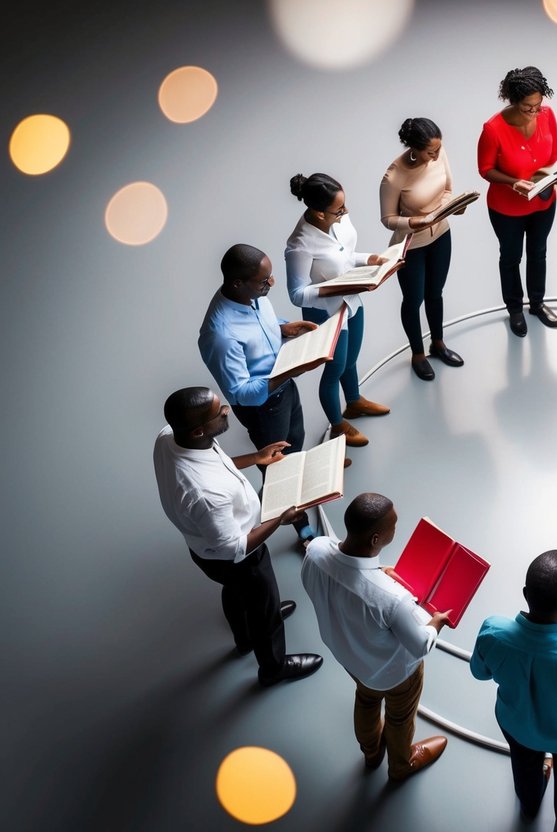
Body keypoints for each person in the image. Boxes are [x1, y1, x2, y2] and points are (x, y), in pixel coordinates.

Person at [153, 386, 323, 687]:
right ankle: (273, 667)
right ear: (198, 431)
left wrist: (256, 457)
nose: (227, 410)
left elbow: (213, 462)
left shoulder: (170, 435)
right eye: (219, 413)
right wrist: (278, 518)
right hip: (240, 555)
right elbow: (236, 548)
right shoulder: (205, 494)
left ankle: (244, 639)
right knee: (264, 606)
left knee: (234, 591)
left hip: (206, 549)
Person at [300, 493, 450, 782]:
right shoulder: (392, 598)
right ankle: (400, 765)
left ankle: (371, 752)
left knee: (366, 701)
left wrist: (377, 572)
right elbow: (420, 644)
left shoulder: (316, 550)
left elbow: (340, 581)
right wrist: (435, 624)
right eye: (393, 526)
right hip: (395, 674)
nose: (396, 529)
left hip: (349, 659)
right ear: (376, 539)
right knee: (400, 717)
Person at [470, 550, 557, 827]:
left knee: (524, 766)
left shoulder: (492, 631)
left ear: (526, 593)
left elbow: (479, 672)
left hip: (516, 727)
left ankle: (529, 802)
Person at [198, 243, 319, 544]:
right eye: (265, 281)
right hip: (263, 407)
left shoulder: (251, 294)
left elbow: (261, 328)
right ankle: (298, 522)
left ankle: (292, 489)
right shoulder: (221, 334)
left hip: (283, 387)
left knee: (296, 442)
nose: (272, 284)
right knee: (276, 463)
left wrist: (284, 328)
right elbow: (242, 394)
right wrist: (289, 371)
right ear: (237, 283)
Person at [285, 172, 392, 449]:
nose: (346, 212)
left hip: (352, 298)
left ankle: (354, 402)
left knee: (352, 358)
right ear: (319, 213)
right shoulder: (299, 245)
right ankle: (337, 423)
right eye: (339, 209)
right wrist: (333, 289)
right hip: (326, 313)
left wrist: (368, 259)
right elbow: (297, 295)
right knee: (335, 370)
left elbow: (343, 255)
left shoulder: (338, 217)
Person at [478, 66, 557, 337]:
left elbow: (555, 155)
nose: (535, 111)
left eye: (538, 104)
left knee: (538, 253)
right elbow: (485, 169)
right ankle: (515, 309)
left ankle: (537, 304)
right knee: (511, 257)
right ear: (513, 100)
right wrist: (512, 182)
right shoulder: (493, 128)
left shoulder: (547, 114)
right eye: (528, 106)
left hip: (543, 201)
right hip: (507, 209)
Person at [380, 117, 464, 381]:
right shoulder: (394, 175)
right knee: (413, 300)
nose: (437, 155)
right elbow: (387, 219)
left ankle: (437, 343)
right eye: (431, 152)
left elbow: (448, 188)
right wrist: (415, 221)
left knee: (435, 293)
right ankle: (417, 353)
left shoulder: (439, 154)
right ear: (414, 149)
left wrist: (449, 206)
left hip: (441, 235)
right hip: (411, 245)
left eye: (439, 149)